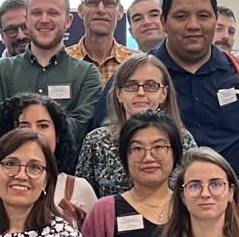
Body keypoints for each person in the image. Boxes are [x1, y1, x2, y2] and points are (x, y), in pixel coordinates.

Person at [111, 0, 239, 164]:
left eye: (203, 16)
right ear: (164, 21)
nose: (193, 25)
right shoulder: (132, 78)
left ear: (215, 19)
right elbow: (110, 139)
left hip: (226, 191)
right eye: (181, 16)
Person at [0, 0, 102, 149]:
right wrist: (55, 127)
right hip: (11, 173)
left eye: (53, 13)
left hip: (66, 173)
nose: (44, 19)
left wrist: (18, 126)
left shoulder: (87, 74)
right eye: (36, 13)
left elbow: (83, 130)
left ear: (68, 21)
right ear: (27, 20)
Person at [0, 93, 97, 226]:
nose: (34, 132)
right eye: (23, 126)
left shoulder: (80, 188)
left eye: (43, 126)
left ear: (58, 134)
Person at [77, 52, 196, 198]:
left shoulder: (183, 139)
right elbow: (84, 201)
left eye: (150, 85)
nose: (140, 92)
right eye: (131, 85)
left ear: (163, 93)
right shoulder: (97, 142)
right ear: (118, 93)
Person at [68, 0, 128, 82]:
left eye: (109, 3)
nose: (101, 9)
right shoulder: (62, 61)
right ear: (80, 10)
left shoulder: (135, 62)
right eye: (92, 2)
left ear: (120, 11)